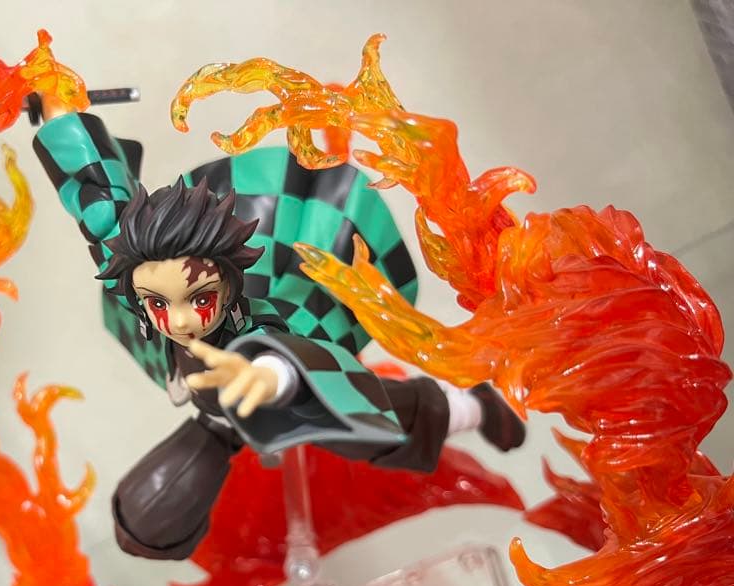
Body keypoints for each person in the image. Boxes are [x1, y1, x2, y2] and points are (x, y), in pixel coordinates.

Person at [32, 100, 524, 560]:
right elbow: (103, 208)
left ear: (226, 285)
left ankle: (476, 406)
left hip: (303, 355)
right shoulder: (135, 276)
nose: (179, 321)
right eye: (159, 304)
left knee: (381, 426)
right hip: (217, 413)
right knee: (147, 519)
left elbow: (284, 347)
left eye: (199, 299)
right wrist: (60, 112)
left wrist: (269, 377)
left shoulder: (255, 321)